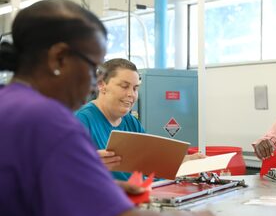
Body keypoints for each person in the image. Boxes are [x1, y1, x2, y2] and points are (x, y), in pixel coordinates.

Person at [0, 0, 228, 216]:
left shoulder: (9, 106)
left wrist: (98, 188)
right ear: (59, 58)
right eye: (90, 68)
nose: (91, 84)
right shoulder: (51, 121)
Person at [75, 58, 203, 181]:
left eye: (135, 88)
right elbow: (64, 172)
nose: (131, 94)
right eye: (124, 86)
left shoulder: (131, 122)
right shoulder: (81, 121)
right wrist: (89, 164)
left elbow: (148, 163)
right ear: (102, 85)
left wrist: (186, 161)